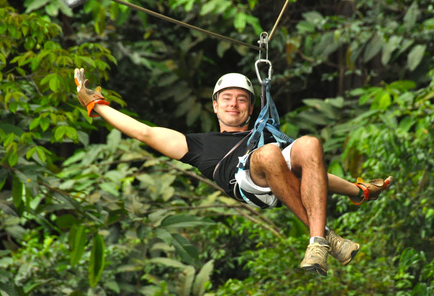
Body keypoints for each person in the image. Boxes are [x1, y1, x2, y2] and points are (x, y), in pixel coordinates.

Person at [74, 68, 393, 276]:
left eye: (242, 100)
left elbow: (314, 175)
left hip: (279, 172)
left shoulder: (267, 134)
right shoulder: (198, 145)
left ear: (250, 109)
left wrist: (359, 190)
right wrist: (96, 104)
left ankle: (321, 241)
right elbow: (144, 132)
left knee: (309, 144)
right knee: (269, 153)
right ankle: (322, 238)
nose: (234, 104)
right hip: (246, 182)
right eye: (226, 99)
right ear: (214, 105)